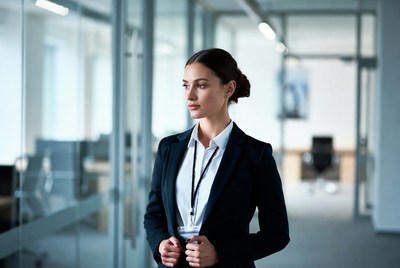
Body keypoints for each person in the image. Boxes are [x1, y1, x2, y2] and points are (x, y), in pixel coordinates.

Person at [144, 48, 289, 268]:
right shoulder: (169, 148)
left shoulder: (255, 155)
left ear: (229, 88)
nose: (189, 95)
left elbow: (277, 233)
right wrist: (160, 243)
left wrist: (221, 253)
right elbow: (154, 214)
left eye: (201, 85)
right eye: (186, 85)